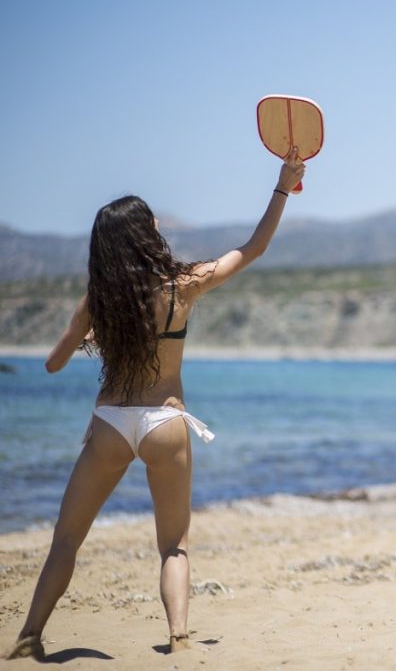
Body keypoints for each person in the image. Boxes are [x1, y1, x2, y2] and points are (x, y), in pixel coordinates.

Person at [6, 148, 305, 660]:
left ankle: (29, 636)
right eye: (152, 219)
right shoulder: (181, 285)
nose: (160, 222)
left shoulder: (98, 299)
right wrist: (283, 184)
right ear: (146, 233)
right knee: (174, 545)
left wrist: (90, 336)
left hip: (110, 426)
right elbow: (252, 247)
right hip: (166, 421)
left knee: (66, 541)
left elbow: (52, 364)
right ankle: (179, 637)